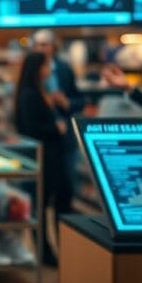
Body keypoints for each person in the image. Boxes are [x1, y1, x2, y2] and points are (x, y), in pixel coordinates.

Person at [14, 52, 70, 267]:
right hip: (44, 158)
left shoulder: (41, 91)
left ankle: (56, 249)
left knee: (53, 201)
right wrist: (56, 128)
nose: (49, 69)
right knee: (41, 204)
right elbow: (31, 128)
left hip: (51, 156)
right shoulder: (29, 94)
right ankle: (45, 253)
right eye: (46, 65)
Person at [31, 29, 85, 203]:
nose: (41, 49)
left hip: (65, 141)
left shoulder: (64, 70)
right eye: (37, 45)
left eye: (44, 45)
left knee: (65, 189)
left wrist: (66, 103)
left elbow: (79, 101)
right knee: (42, 193)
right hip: (43, 140)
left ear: (53, 47)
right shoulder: (31, 73)